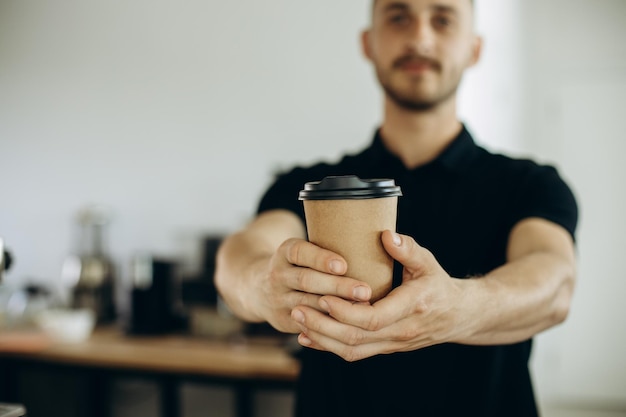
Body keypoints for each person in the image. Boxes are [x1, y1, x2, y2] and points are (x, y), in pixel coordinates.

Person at [215, 0, 578, 416]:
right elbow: (238, 258)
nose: (419, 37)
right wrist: (260, 286)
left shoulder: (530, 185)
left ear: (474, 48)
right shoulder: (309, 187)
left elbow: (555, 284)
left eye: (442, 19)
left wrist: (457, 308)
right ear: (368, 43)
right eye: (398, 16)